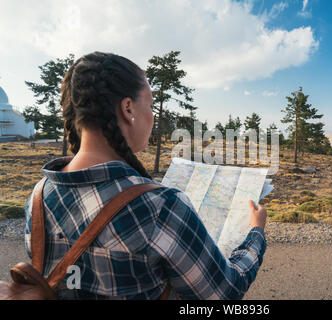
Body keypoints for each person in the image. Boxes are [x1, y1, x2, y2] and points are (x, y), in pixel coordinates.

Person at [23, 51, 267, 300]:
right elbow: (224, 293)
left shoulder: (39, 195)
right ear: (128, 108)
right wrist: (256, 232)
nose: (152, 114)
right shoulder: (161, 207)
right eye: (149, 105)